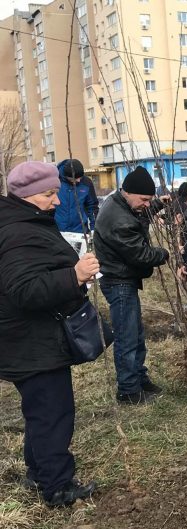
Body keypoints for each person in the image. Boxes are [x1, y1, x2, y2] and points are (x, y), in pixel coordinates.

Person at [0, 161, 99, 507]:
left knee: (40, 410)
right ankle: (57, 487)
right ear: (26, 195)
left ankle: (38, 470)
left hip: (27, 338)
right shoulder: (19, 232)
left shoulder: (23, 221)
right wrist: (74, 276)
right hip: (31, 341)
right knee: (53, 412)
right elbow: (24, 291)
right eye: (49, 194)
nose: (56, 201)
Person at [94, 166, 170, 404]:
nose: (147, 204)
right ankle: (128, 390)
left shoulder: (120, 202)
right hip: (119, 282)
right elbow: (141, 255)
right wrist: (165, 253)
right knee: (128, 337)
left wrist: (156, 204)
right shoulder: (119, 220)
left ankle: (139, 378)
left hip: (122, 279)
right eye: (145, 199)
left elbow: (138, 216)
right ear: (129, 192)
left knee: (135, 334)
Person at [55, 159, 99, 234]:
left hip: (80, 232)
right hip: (58, 232)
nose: (78, 180)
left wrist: (94, 229)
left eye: (80, 177)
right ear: (66, 176)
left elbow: (92, 207)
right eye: (75, 178)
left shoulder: (86, 183)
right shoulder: (55, 181)